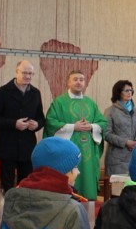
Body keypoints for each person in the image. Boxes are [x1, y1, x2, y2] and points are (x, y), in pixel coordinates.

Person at [45, 69, 108, 200]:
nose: (78, 82)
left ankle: (88, 207)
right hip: (67, 150)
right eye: (75, 79)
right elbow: (50, 122)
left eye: (81, 80)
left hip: (87, 153)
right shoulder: (59, 102)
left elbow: (102, 123)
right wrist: (73, 127)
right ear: (68, 82)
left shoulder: (90, 103)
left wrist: (92, 126)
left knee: (87, 183)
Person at [0, 60, 46, 189]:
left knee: (26, 185)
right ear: (16, 72)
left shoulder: (36, 93)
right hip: (7, 147)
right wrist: (14, 124)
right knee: (7, 185)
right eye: (24, 73)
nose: (27, 76)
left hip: (27, 148)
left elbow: (41, 118)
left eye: (30, 73)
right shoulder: (1, 92)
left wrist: (37, 125)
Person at [103, 79, 136, 176]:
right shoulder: (110, 111)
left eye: (131, 90)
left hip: (134, 156)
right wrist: (126, 142)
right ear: (119, 92)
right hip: (116, 159)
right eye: (126, 90)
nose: (130, 93)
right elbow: (106, 134)